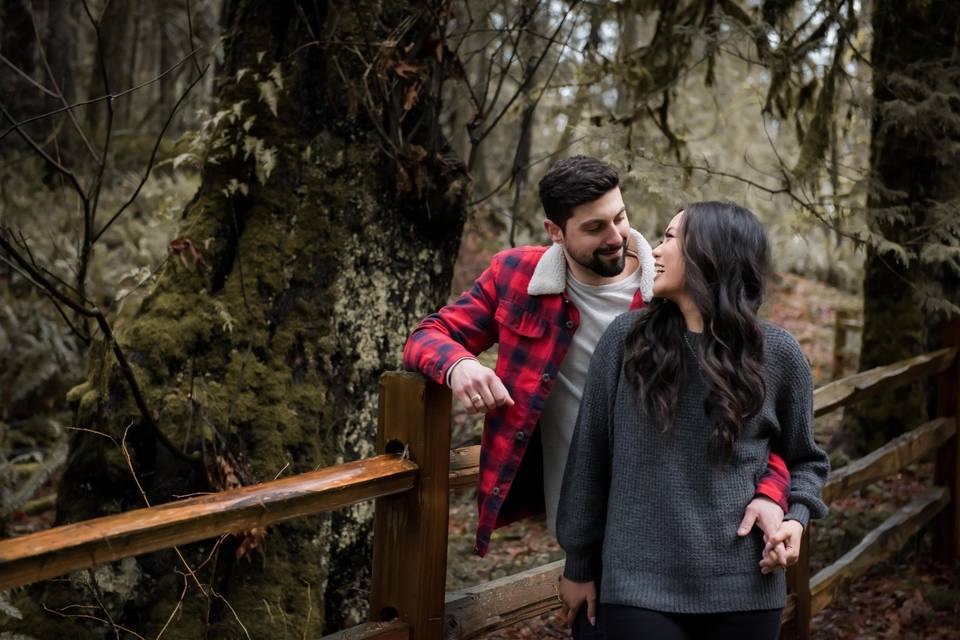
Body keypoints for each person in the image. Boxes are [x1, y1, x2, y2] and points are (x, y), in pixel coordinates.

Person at [402, 157, 793, 633]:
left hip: (672, 517)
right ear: (556, 231)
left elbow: (758, 420)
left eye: (620, 217)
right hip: (593, 515)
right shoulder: (516, 278)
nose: (617, 236)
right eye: (594, 227)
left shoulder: (669, 291)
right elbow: (428, 335)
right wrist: (458, 364)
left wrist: (774, 495)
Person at [556, 201, 830, 640]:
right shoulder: (626, 342)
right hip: (637, 586)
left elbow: (806, 461)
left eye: (669, 237)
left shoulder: (778, 355)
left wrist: (795, 518)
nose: (653, 250)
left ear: (711, 254)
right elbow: (589, 460)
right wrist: (579, 565)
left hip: (746, 585)